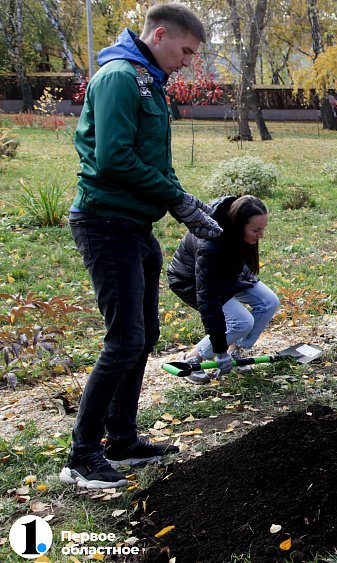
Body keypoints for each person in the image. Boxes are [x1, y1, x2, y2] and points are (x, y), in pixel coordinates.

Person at [61, 4, 219, 490]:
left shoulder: (148, 82)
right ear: (161, 34)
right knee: (124, 339)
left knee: (144, 333)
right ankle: (82, 456)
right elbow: (112, 158)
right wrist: (175, 199)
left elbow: (154, 157)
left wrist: (184, 201)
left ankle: (122, 440)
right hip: (105, 224)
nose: (189, 62)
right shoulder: (118, 78)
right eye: (187, 51)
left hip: (134, 226)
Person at [166, 195, 280, 384]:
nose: (262, 235)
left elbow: (237, 263)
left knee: (269, 302)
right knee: (242, 322)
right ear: (238, 225)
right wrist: (220, 350)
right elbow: (208, 301)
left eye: (263, 228)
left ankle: (236, 349)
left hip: (228, 273)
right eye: (256, 230)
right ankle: (194, 356)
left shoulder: (236, 226)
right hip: (190, 281)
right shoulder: (210, 245)